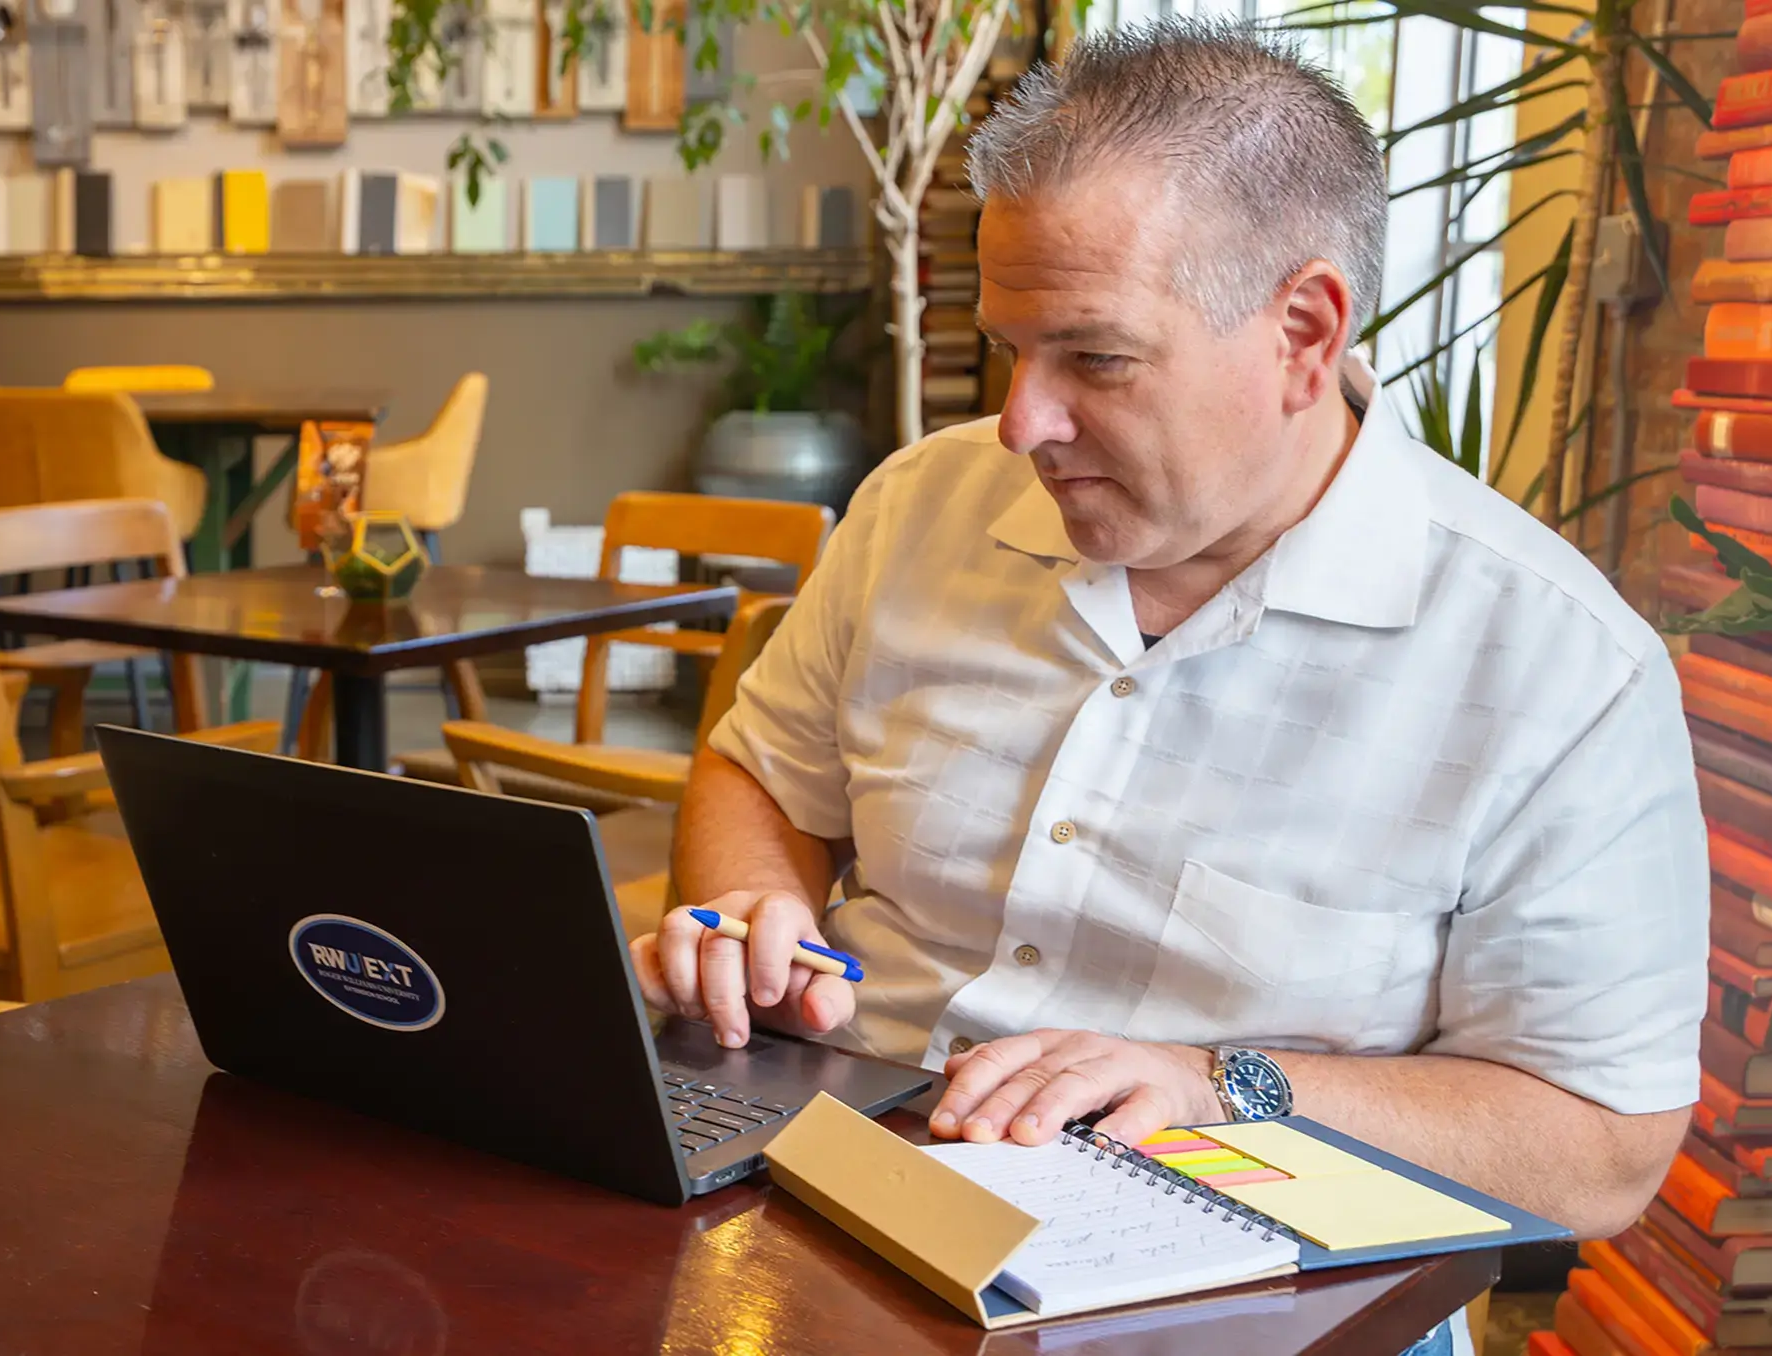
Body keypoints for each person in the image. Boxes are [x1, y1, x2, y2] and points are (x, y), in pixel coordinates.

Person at [634, 21, 1701, 1260]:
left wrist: (1218, 1085)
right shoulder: (919, 506)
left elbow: (1603, 1149)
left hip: (1257, 1277)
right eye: (1011, 351)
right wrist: (754, 913)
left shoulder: (1561, 669)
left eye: (1097, 358)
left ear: (1305, 331)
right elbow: (762, 772)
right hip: (825, 1188)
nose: (1022, 423)